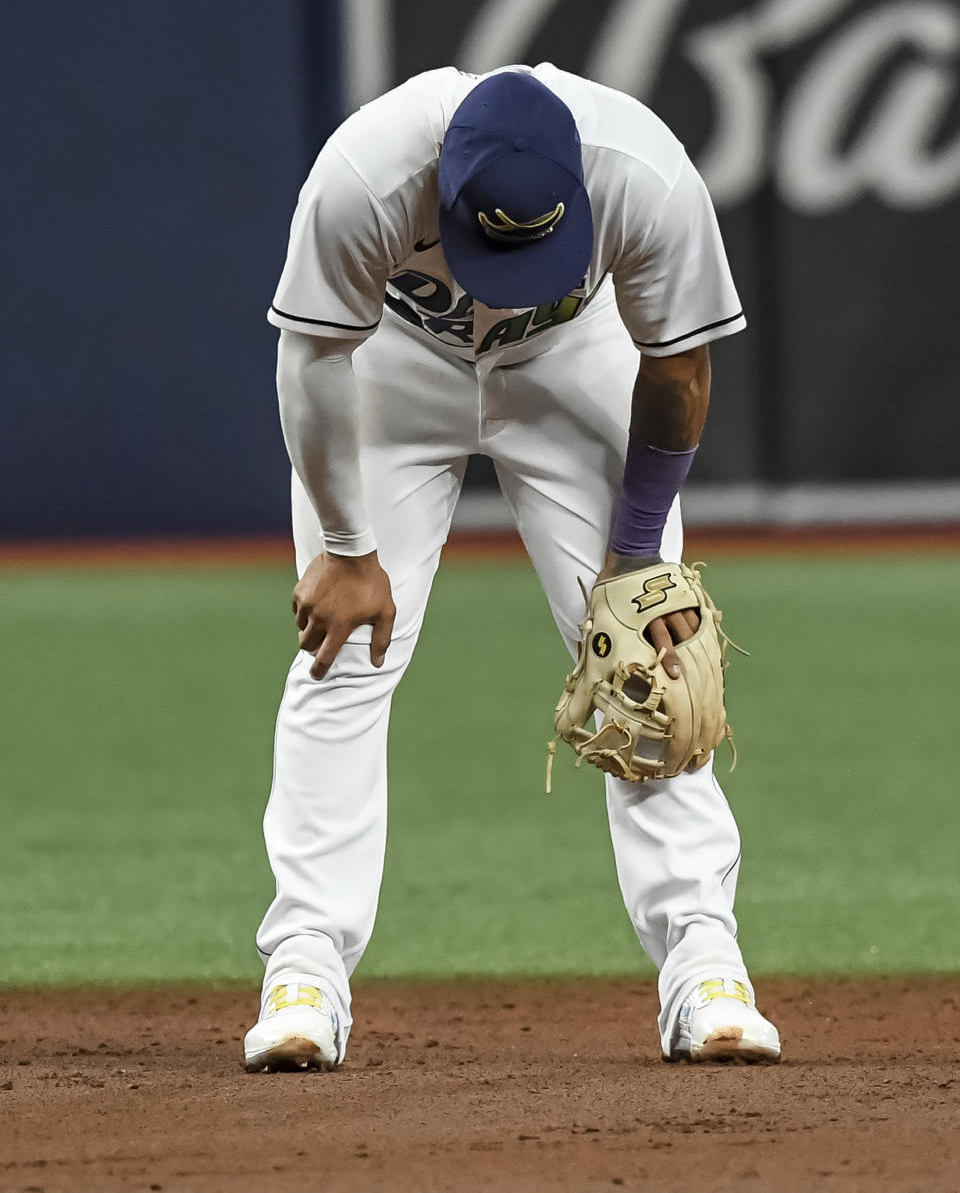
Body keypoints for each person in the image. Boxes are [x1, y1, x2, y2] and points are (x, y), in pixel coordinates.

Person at [242, 66, 781, 1071]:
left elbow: (677, 367)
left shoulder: (643, 172)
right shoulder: (365, 171)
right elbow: (311, 355)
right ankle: (305, 967)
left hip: (566, 359)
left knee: (649, 655)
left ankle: (704, 960)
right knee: (342, 653)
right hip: (392, 365)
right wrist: (349, 555)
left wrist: (635, 558)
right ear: (440, 184)